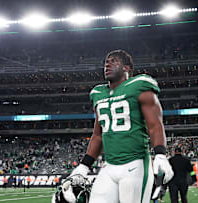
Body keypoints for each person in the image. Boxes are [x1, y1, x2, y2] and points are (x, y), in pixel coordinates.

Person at [69, 50, 174, 203]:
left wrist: (160, 154)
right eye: (106, 62)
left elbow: (155, 125)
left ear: (127, 68)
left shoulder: (139, 86)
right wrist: (84, 165)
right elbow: (98, 134)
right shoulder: (99, 93)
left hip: (135, 163)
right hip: (109, 166)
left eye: (113, 61)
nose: (107, 64)